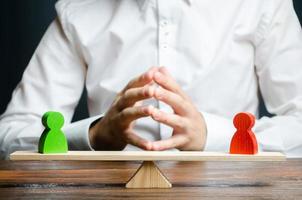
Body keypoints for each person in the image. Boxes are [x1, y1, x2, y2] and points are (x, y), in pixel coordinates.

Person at [0, 0, 302, 159]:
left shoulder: (262, 4)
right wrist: (93, 136)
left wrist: (214, 136)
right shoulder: (77, 11)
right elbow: (10, 135)